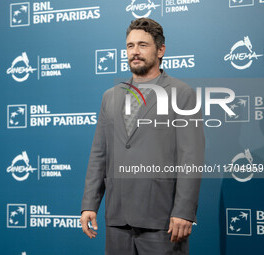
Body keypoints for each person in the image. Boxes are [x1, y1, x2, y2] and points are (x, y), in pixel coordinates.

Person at [80, 18, 205, 255]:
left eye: (142, 45)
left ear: (160, 50)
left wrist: (184, 211)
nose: (135, 52)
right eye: (130, 46)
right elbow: (99, 155)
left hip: (163, 220)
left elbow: (191, 158)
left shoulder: (181, 93)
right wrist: (90, 204)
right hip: (117, 218)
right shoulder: (110, 96)